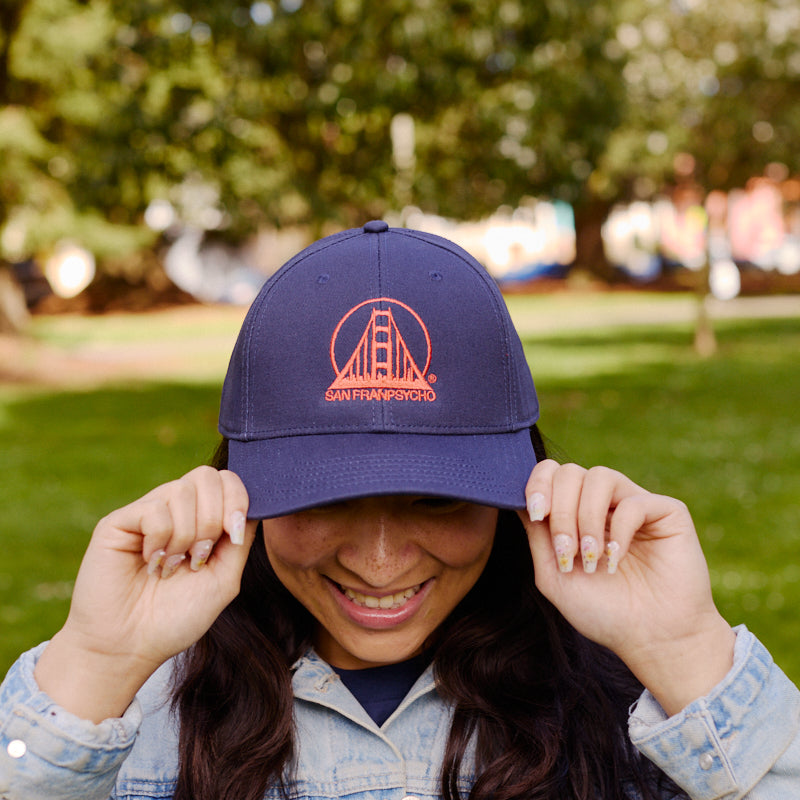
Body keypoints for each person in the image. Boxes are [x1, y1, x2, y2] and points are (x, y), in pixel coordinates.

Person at [1, 221, 798, 800]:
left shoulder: (635, 701)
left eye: (439, 497)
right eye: (327, 497)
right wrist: (96, 666)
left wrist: (686, 650)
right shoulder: (122, 712)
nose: (380, 560)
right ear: (238, 489)